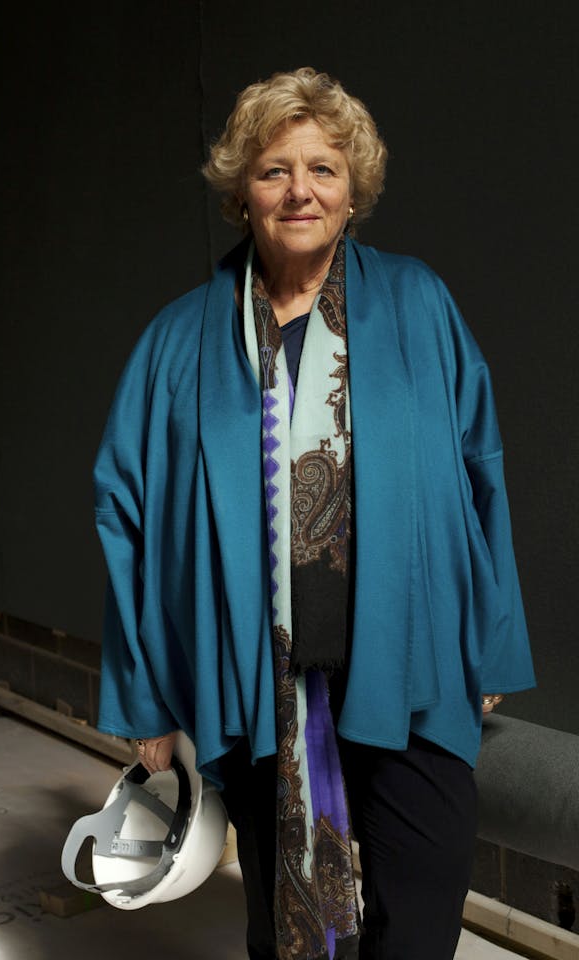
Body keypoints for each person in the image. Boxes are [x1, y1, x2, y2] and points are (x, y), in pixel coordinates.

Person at [93, 67, 535, 960]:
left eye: (324, 168)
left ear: (353, 188)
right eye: (274, 170)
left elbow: (480, 463)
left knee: (417, 924)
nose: (301, 190)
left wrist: (490, 637)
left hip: (411, 667)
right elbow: (124, 513)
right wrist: (141, 696)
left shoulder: (418, 302)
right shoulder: (176, 341)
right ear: (241, 192)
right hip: (262, 688)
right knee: (287, 932)